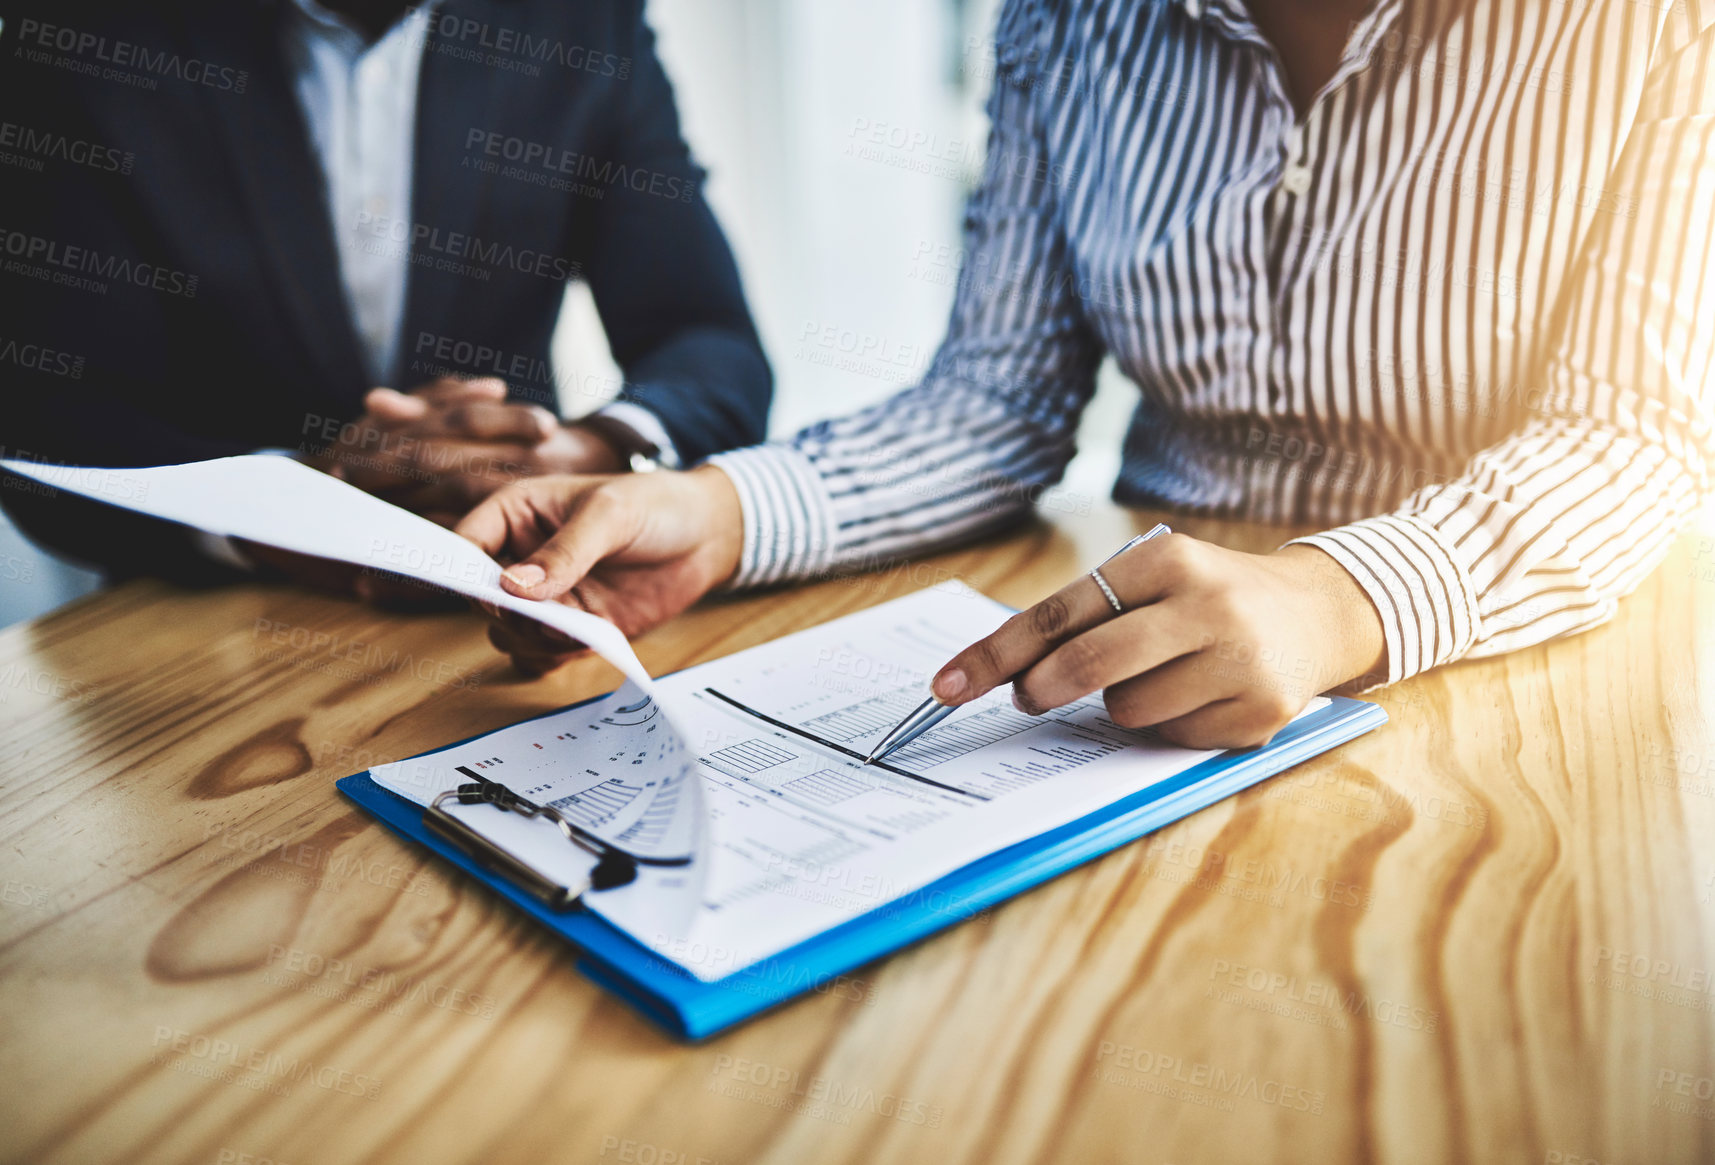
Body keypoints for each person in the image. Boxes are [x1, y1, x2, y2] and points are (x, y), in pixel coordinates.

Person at [462, 0, 1712, 749]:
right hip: (1139, 665)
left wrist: (1339, 599)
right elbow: (995, 401)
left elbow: (1630, 433)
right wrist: (723, 511)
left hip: (1515, 658)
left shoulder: (1661, 25)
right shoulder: (1065, 18)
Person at [0, 0, 770, 589]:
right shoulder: (79, 31)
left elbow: (708, 338)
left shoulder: (581, 18)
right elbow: (45, 414)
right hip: (195, 622)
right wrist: (286, 517)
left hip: (514, 581)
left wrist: (586, 449)